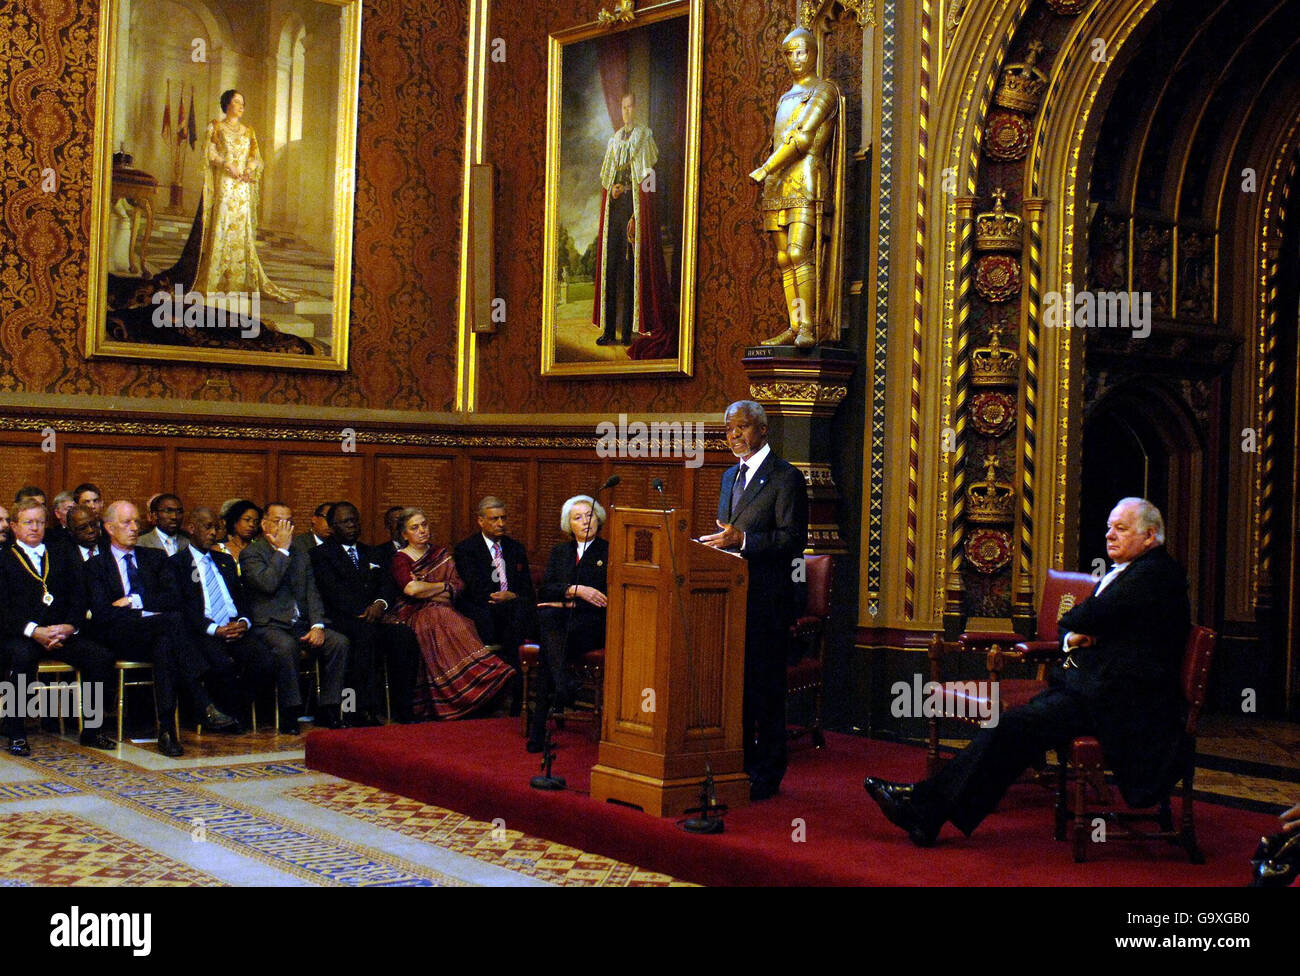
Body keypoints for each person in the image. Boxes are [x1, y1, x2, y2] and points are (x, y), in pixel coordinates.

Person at [864, 497, 1192, 846]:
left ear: (1151, 536)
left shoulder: (1157, 573)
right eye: (1110, 527)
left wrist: (1083, 628)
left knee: (1011, 728)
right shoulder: (1129, 572)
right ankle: (925, 809)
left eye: (1121, 529)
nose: (1110, 535)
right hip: (1092, 691)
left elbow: (1081, 617)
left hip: (1127, 706)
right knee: (1011, 731)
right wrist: (1078, 634)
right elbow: (1073, 626)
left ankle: (922, 806)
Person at [701, 399, 808, 800]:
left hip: (768, 600)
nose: (734, 435)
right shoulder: (729, 475)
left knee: (765, 688)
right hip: (733, 597)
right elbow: (725, 530)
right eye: (729, 428)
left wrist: (742, 540)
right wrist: (715, 544)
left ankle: (768, 772)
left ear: (762, 430)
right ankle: (739, 763)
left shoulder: (786, 477)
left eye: (742, 428)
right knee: (736, 687)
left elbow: (793, 540)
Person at [85, 500, 238, 757]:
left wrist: (136, 600)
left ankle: (167, 731)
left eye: (136, 521)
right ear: (109, 528)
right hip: (119, 635)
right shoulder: (95, 566)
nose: (134, 528)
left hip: (156, 632)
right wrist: (139, 611)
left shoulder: (154, 558)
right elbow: (103, 612)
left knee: (165, 644)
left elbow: (173, 599)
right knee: (172, 624)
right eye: (126, 522)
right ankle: (200, 699)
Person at [0, 499, 117, 755]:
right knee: (22, 658)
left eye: (40, 522)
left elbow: (79, 595)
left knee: (99, 656)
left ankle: (93, 730)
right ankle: (16, 732)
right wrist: (34, 631)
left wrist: (68, 626)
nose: (35, 528)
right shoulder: (4, 558)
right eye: (28, 522)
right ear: (14, 527)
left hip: (60, 633)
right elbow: (3, 609)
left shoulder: (61, 553)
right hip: (22, 635)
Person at [749, 27, 840, 348]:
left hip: (806, 177)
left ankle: (809, 327)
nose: (796, 59)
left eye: (802, 51)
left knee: (801, 252)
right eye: (790, 53)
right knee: (784, 258)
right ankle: (794, 322)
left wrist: (765, 168)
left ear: (813, 52)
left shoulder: (824, 91)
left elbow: (803, 137)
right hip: (777, 185)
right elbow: (779, 137)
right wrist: (770, 173)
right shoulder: (786, 97)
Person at [387, 508, 514, 720]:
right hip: (415, 615)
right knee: (438, 619)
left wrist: (427, 587)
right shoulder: (400, 559)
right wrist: (440, 588)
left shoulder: (441, 554)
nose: (422, 530)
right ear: (404, 534)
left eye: (424, 525)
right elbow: (411, 590)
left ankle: (482, 681)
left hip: (445, 611)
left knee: (461, 624)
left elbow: (456, 587)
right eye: (415, 527)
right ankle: (461, 693)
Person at [239, 502, 350, 733]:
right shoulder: (252, 552)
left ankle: (329, 708)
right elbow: (267, 584)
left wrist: (317, 624)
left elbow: (312, 591)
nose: (285, 526)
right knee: (286, 647)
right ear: (265, 524)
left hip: (301, 624)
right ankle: (290, 711)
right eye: (279, 521)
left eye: (289, 521)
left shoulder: (301, 553)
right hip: (269, 626)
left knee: (339, 642)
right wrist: (281, 551)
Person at [311, 502, 420, 725]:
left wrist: (380, 604)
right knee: (365, 637)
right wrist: (363, 611)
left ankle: (405, 707)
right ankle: (361, 709)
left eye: (354, 520)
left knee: (404, 636)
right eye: (345, 522)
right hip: (341, 619)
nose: (352, 525)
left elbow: (386, 585)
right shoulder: (319, 555)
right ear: (332, 526)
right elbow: (330, 590)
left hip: (375, 616)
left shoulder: (371, 552)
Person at [172, 507, 276, 728]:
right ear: (191, 528)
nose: (213, 533)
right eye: (207, 527)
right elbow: (181, 608)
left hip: (234, 627)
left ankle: (237, 710)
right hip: (204, 632)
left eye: (216, 528)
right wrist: (214, 629)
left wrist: (243, 622)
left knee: (264, 661)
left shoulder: (225, 561)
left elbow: (242, 599)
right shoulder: (177, 564)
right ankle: (226, 716)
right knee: (220, 664)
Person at [191, 90, 296, 301]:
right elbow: (209, 153)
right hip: (225, 185)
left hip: (242, 187)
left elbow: (254, 156)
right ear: (226, 104)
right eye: (237, 102)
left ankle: (237, 281)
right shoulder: (216, 127)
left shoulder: (249, 131)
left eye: (243, 103)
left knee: (241, 228)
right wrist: (225, 163)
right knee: (223, 224)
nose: (241, 106)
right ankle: (215, 280)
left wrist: (249, 168)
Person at [592, 91, 674, 354]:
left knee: (629, 272)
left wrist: (637, 216)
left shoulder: (644, 138)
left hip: (632, 211)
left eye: (630, 107)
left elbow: (647, 184)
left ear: (636, 109)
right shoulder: (614, 141)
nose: (627, 112)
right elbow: (607, 179)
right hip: (615, 211)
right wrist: (613, 190)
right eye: (623, 107)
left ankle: (627, 331)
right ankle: (608, 330)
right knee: (611, 268)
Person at [527, 495, 609, 751]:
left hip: (592, 624)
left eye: (590, 515)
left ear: (599, 519)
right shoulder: (560, 552)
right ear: (568, 525)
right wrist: (576, 590)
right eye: (578, 517)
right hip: (562, 624)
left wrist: (566, 600)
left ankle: (538, 729)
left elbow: (604, 597)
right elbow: (546, 591)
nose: (585, 521)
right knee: (550, 627)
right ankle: (563, 685)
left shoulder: (609, 551)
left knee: (549, 644)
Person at [453, 496, 536, 713]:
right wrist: (501, 597)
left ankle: (520, 693)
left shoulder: (515, 548)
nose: (501, 523)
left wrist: (512, 596)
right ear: (480, 521)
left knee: (524, 613)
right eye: (494, 519)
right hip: (484, 609)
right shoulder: (466, 549)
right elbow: (473, 588)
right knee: (515, 623)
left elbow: (527, 588)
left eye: (503, 518)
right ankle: (517, 694)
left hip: (512, 609)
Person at [218, 500, 261, 566]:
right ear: (235, 522)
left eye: (256, 522)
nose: (252, 524)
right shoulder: (218, 549)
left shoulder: (260, 549)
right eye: (247, 520)